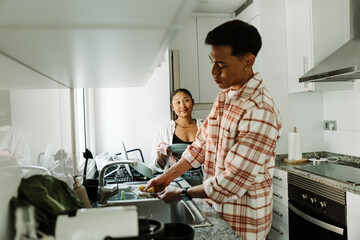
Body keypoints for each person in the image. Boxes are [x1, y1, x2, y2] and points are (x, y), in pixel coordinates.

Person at [146, 20, 282, 240]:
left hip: (244, 226)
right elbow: (200, 146)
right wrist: (166, 178)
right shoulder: (223, 98)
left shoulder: (260, 110)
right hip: (216, 212)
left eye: (221, 64)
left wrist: (181, 193)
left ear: (248, 60)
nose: (213, 71)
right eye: (211, 61)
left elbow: (232, 181)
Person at [150, 88, 204, 186]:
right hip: (175, 179)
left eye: (186, 100)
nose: (182, 105)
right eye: (178, 102)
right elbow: (155, 166)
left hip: (203, 178)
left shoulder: (205, 126)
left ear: (193, 102)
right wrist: (160, 159)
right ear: (172, 107)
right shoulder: (164, 130)